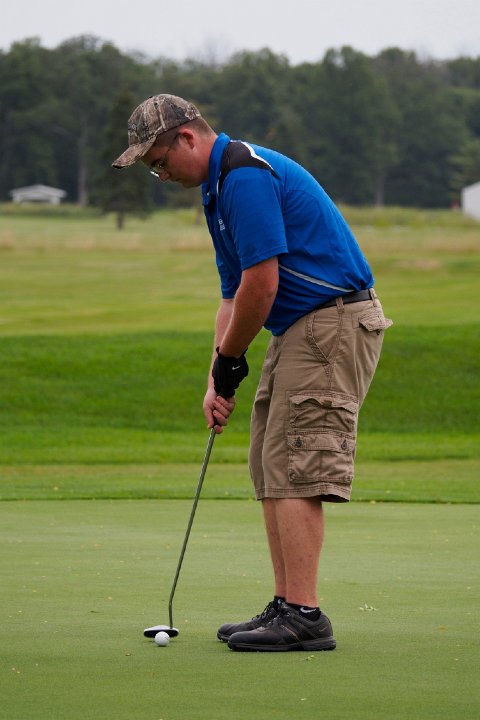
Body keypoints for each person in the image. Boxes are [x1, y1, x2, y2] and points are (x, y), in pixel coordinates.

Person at [113, 94, 392, 652]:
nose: (160, 175)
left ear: (187, 137)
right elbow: (233, 293)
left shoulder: (243, 174)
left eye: (159, 161)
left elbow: (263, 284)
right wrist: (216, 378)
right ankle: (287, 604)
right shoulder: (217, 190)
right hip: (302, 327)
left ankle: (304, 615)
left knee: (295, 463)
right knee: (270, 461)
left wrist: (232, 358)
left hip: (332, 321)